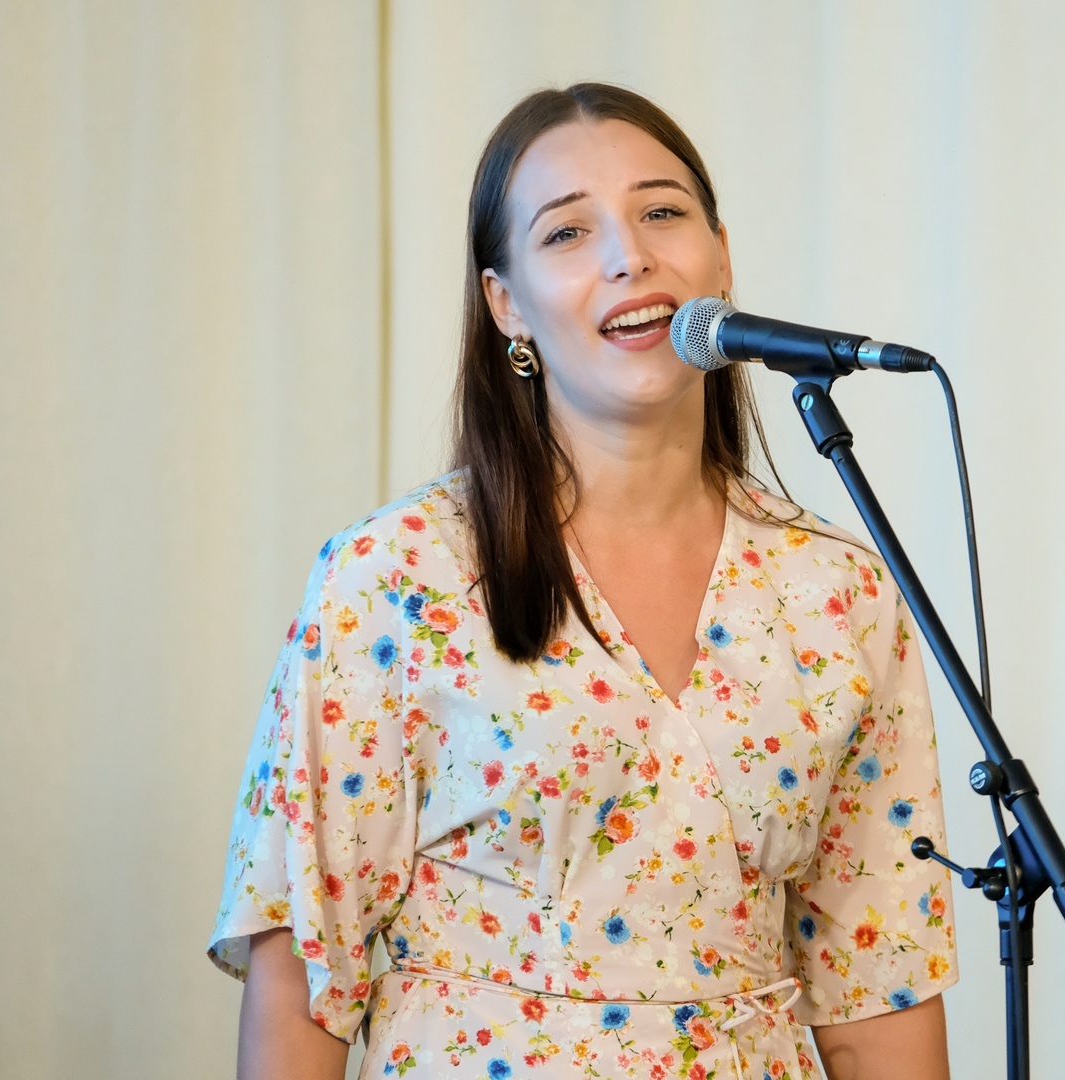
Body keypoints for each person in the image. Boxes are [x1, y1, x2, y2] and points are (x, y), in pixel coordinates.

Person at [208, 82, 958, 1080]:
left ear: (721, 258)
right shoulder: (395, 574)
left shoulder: (840, 589)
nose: (628, 256)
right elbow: (306, 970)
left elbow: (878, 988)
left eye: (662, 213)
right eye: (567, 232)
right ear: (505, 303)